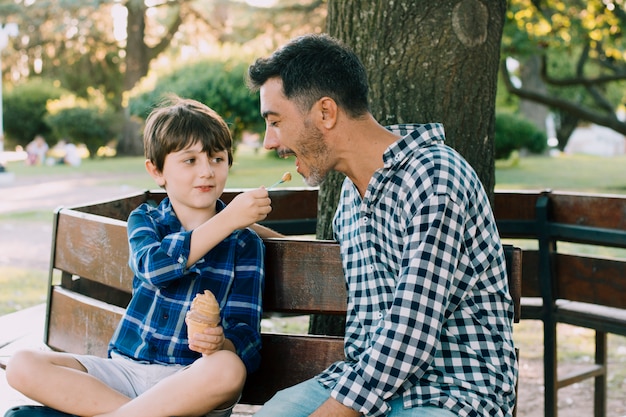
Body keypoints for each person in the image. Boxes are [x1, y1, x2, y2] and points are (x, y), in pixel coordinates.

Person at [246, 34, 517, 417]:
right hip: (369, 383)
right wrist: (230, 223)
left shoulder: (435, 178)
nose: (269, 141)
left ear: (326, 112)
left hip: (454, 392)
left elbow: (410, 334)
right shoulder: (351, 197)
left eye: (275, 122)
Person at [5, 96, 272, 417]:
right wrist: (226, 220)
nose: (207, 171)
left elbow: (247, 340)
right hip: (124, 372)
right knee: (21, 364)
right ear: (156, 170)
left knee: (229, 369)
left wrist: (220, 343)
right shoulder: (146, 221)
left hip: (189, 384)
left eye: (217, 159)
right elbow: (155, 269)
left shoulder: (245, 244)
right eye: (190, 160)